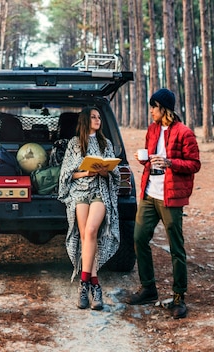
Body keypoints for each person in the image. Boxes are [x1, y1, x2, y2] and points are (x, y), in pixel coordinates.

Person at [125, 88, 200, 319]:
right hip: (149, 193)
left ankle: (179, 297)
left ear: (163, 108)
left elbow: (194, 164)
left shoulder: (184, 132)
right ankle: (148, 288)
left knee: (176, 247)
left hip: (170, 196)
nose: (150, 111)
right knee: (138, 238)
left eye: (153, 107)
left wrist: (170, 162)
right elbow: (150, 156)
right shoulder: (152, 129)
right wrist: (144, 159)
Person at [58, 107, 120, 310]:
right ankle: (94, 285)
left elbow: (115, 174)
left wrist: (104, 172)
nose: (98, 120)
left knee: (92, 230)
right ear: (85, 120)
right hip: (79, 193)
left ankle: (84, 284)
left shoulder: (106, 144)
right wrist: (84, 173)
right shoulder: (75, 144)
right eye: (93, 117)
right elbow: (66, 175)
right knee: (85, 236)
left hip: (100, 192)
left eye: (99, 117)